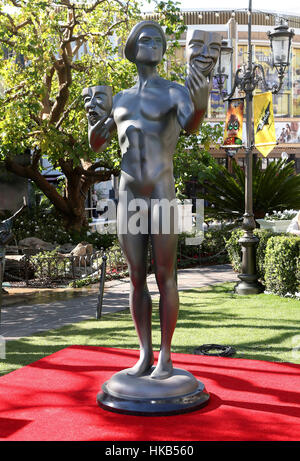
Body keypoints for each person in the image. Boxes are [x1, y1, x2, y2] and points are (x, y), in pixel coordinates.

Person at [84, 21, 214, 380]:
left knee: (165, 274)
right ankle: (144, 354)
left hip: (161, 190)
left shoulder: (174, 92)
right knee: (136, 276)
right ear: (133, 49)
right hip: (127, 191)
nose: (154, 45)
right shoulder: (121, 98)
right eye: (147, 39)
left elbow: (191, 125)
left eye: (159, 40)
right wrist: (94, 123)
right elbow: (96, 144)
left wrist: (200, 104)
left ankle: (167, 356)